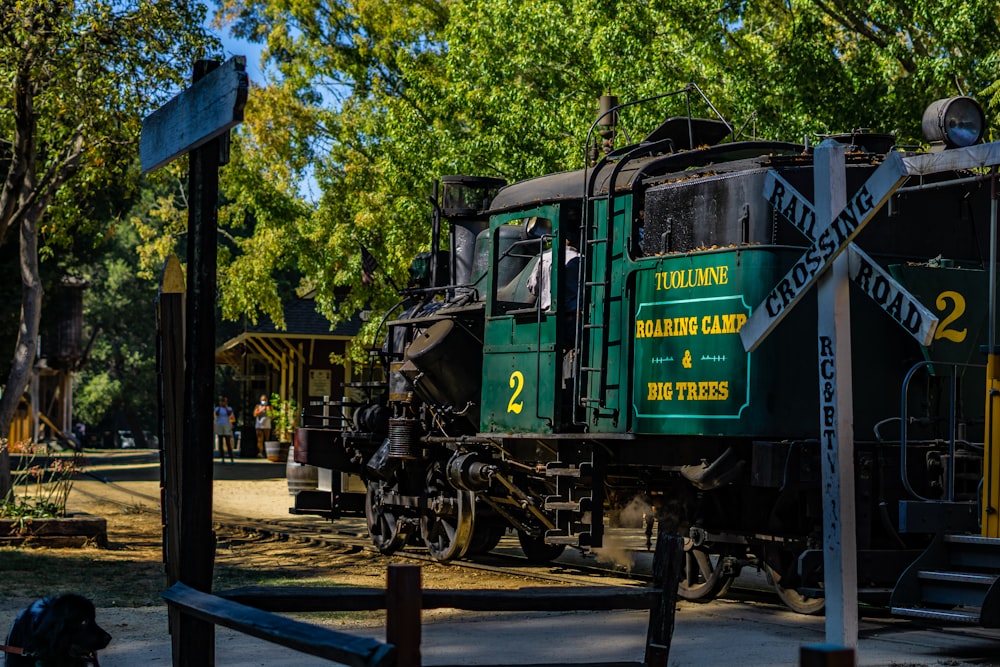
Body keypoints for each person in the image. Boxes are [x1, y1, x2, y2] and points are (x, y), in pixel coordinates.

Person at [214, 396, 235, 463]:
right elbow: (216, 414)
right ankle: (222, 457)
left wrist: (225, 407)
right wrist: (220, 407)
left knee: (228, 441)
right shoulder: (217, 408)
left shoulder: (229, 408)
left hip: (226, 425)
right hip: (219, 425)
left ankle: (231, 457)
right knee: (221, 442)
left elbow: (230, 414)